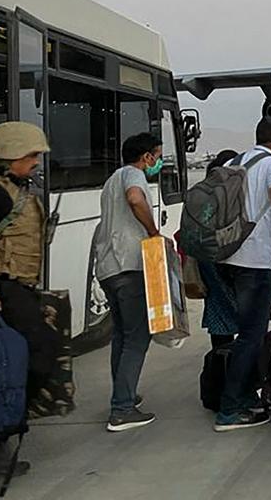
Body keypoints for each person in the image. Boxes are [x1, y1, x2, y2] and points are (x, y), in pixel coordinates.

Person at [0, 121, 49, 480]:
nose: (36, 162)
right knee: (11, 367)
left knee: (25, 363)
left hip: (13, 290)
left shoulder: (14, 189)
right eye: (31, 155)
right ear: (9, 157)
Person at [214, 117, 271, 432]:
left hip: (229, 256)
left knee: (246, 333)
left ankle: (245, 397)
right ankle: (231, 409)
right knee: (251, 336)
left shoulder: (237, 161)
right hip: (254, 262)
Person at [93, 132, 164, 432]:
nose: (158, 162)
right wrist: (153, 232)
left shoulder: (112, 180)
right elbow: (136, 200)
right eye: (157, 156)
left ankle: (124, 394)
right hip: (129, 266)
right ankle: (121, 409)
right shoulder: (134, 176)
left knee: (121, 335)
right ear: (146, 157)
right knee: (138, 337)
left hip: (108, 267)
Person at [198, 150, 242, 350]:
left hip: (207, 264)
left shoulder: (202, 194)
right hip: (233, 263)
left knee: (218, 314)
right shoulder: (234, 195)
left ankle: (219, 367)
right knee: (249, 323)